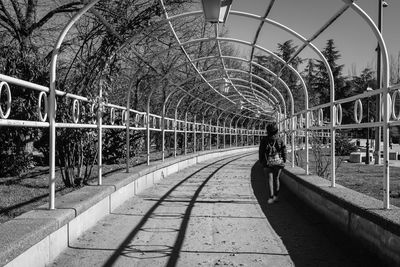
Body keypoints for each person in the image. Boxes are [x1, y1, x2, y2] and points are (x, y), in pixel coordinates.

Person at [259, 123, 287, 204]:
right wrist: (284, 160)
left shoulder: (264, 140)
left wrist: (261, 160)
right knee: (276, 179)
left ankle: (271, 197)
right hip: (278, 162)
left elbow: (261, 151)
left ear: (267, 131)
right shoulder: (280, 139)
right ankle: (276, 196)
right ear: (277, 131)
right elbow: (284, 150)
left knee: (269, 180)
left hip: (267, 163)